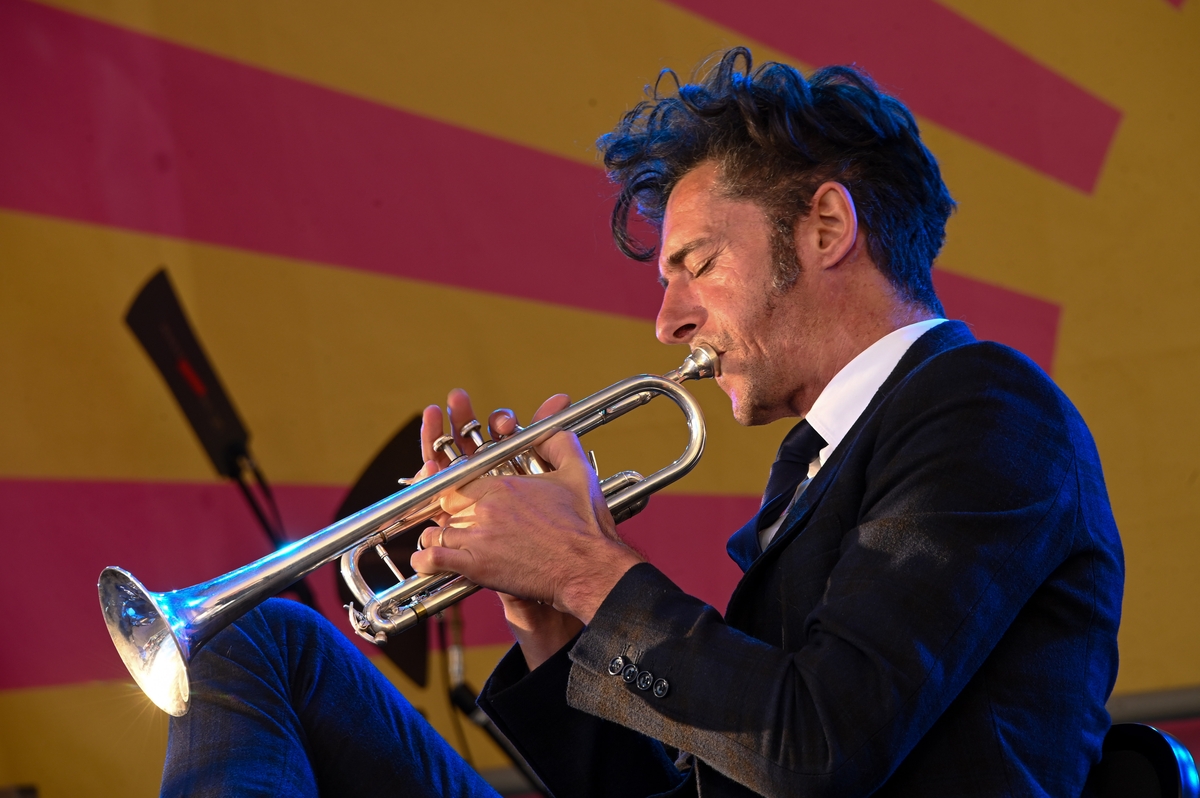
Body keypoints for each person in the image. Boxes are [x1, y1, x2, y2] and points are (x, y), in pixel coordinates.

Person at [160, 49, 1123, 797]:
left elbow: (819, 749)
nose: (667, 321)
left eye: (697, 264)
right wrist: (548, 616)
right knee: (251, 638)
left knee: (265, 642)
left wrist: (583, 565)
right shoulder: (817, 465)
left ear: (827, 228)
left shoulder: (984, 407)